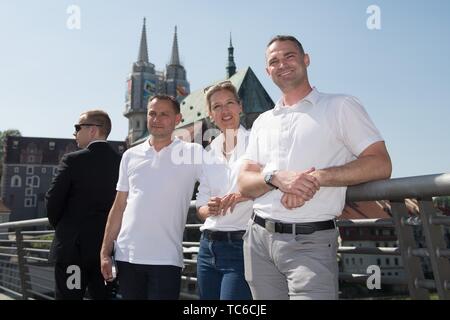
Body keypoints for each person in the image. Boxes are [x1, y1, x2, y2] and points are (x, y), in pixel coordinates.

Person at [238, 35, 392, 300]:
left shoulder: (340, 106)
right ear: (268, 71)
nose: (282, 64)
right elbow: (243, 182)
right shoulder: (263, 121)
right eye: (274, 61)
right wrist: (276, 178)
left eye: (289, 56)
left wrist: (316, 178)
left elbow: (380, 163)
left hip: (310, 241)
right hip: (257, 239)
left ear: (306, 59)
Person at [100, 94, 203, 300]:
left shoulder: (193, 152)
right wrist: (105, 252)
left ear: (177, 119)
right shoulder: (130, 155)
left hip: (166, 258)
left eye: (164, 114)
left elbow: (220, 181)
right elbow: (119, 206)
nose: (156, 119)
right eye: (152, 114)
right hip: (126, 256)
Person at [46, 110, 121, 300]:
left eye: (78, 128)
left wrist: (64, 229)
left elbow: (53, 202)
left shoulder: (72, 161)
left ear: (93, 131)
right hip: (107, 252)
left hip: (73, 251)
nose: (75, 133)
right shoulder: (122, 163)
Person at [195, 81, 253, 300]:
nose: (224, 110)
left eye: (229, 103)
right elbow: (200, 205)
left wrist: (240, 196)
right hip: (207, 248)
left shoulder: (257, 142)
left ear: (240, 106)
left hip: (242, 244)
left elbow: (272, 183)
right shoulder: (209, 152)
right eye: (217, 106)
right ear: (210, 114)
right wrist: (209, 208)